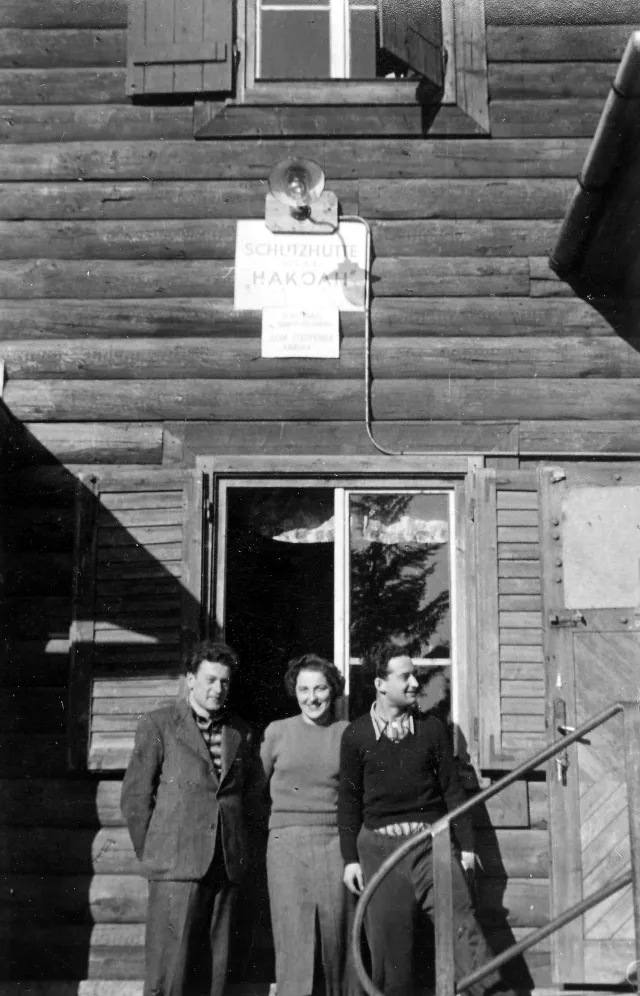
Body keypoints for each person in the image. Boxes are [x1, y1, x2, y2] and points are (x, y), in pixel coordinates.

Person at [338, 646, 514, 996]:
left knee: (463, 930)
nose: (415, 683)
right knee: (391, 950)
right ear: (380, 683)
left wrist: (465, 847)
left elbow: (451, 791)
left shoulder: (431, 729)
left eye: (414, 674)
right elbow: (348, 801)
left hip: (430, 847)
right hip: (379, 852)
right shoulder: (356, 736)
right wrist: (350, 860)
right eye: (404, 676)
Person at [121, 639, 262, 996]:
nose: (218, 689)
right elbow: (135, 797)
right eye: (211, 680)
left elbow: (248, 799)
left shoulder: (240, 731)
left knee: (215, 973)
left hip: (225, 865)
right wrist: (156, 851)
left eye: (225, 682)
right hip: (175, 866)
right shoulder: (160, 725)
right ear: (190, 680)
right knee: (170, 972)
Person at [260, 654, 350, 996]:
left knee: (336, 933)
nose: (312, 698)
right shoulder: (277, 732)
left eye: (320, 688)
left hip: (334, 843)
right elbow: (255, 789)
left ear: (333, 690)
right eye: (303, 689)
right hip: (286, 845)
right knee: (292, 934)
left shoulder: (347, 733)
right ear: (294, 691)